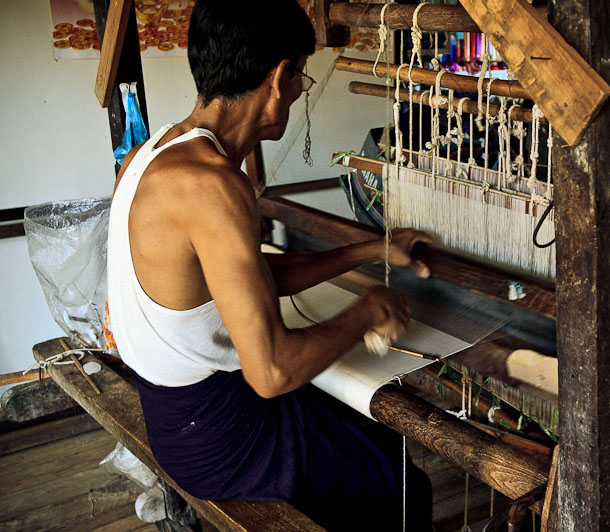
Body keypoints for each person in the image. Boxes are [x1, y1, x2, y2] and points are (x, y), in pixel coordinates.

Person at [104, 0, 433, 530]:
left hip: (182, 424)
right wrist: (368, 309)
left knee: (370, 440)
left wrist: (370, 250)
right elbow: (272, 372)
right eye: (301, 73)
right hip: (224, 443)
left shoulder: (150, 156)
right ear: (280, 77)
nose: (300, 88)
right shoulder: (213, 184)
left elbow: (241, 283)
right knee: (398, 480)